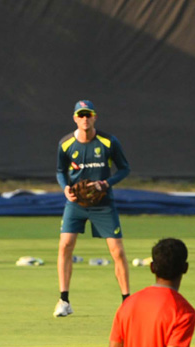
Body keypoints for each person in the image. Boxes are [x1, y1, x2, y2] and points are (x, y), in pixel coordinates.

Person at [54, 100, 132, 317]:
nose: (85, 119)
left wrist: (106, 183)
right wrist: (65, 188)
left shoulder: (108, 142)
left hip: (103, 203)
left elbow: (124, 169)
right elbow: (60, 171)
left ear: (95, 117)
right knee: (65, 246)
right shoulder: (66, 144)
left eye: (89, 115)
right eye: (81, 115)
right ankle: (64, 300)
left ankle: (127, 301)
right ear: (75, 118)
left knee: (117, 250)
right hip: (76, 203)